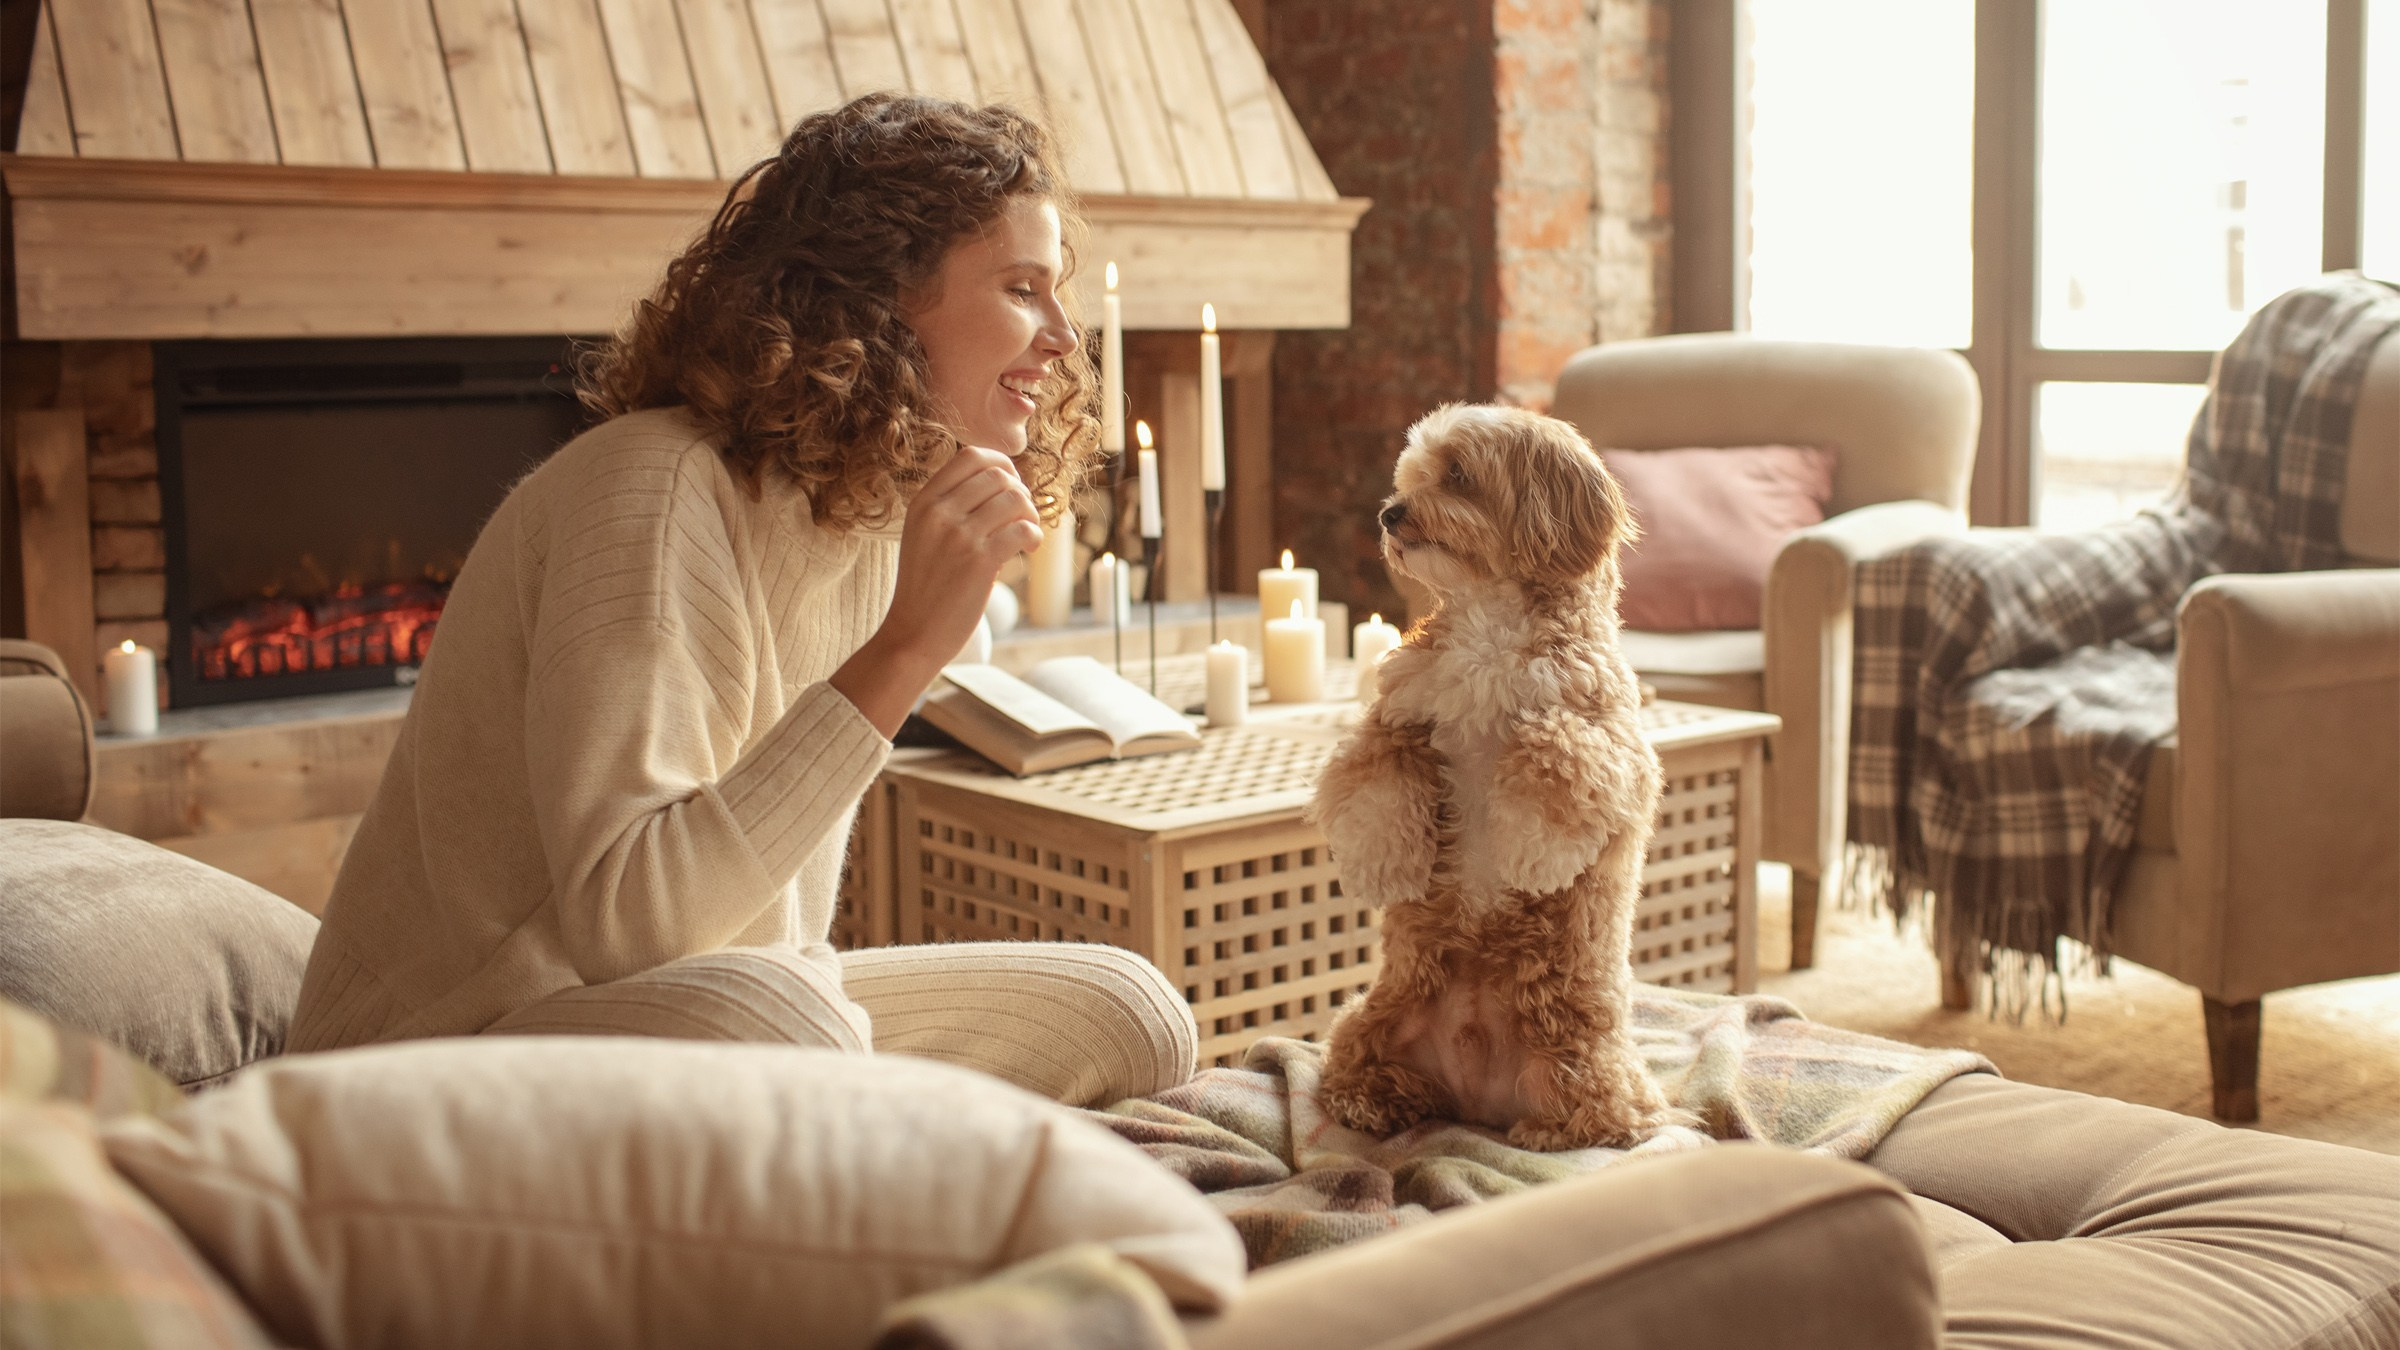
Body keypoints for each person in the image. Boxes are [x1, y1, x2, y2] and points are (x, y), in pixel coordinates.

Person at [285, 94, 1195, 1108]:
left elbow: (753, 938)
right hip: (427, 1056)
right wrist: (901, 655)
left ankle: (876, 1144)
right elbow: (632, 928)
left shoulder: (865, 511)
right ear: (881, 297)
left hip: (701, 1021)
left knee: (1131, 1010)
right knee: (791, 1022)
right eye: (1023, 289)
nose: (1065, 338)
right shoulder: (651, 487)